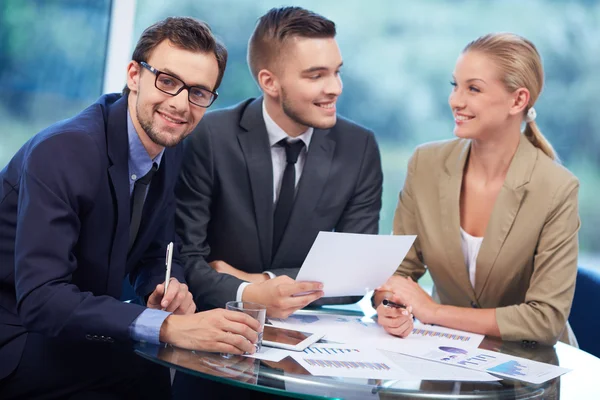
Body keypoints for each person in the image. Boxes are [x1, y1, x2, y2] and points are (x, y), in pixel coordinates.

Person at [0, 17, 259, 399]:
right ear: (134, 75)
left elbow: (156, 250)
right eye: (167, 81)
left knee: (164, 368)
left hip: (70, 329)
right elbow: (43, 299)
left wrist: (167, 286)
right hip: (16, 334)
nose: (179, 104)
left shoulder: (168, 146)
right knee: (147, 369)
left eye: (198, 93)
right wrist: (166, 326)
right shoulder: (63, 152)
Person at [175, 7, 387, 318]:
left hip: (307, 337)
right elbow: (184, 258)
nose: (335, 88)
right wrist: (242, 295)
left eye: (336, 71)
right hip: (214, 322)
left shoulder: (360, 147)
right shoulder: (210, 136)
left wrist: (258, 284)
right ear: (269, 82)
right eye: (316, 75)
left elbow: (353, 278)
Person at [375, 33, 580, 346]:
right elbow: (399, 272)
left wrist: (433, 311)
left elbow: (545, 319)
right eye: (454, 85)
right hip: (443, 358)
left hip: (526, 367)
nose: (456, 100)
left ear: (518, 100)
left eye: (473, 88)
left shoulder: (557, 189)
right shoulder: (425, 164)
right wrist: (390, 304)